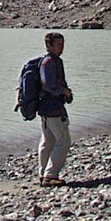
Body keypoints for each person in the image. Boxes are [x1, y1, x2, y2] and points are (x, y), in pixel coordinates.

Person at [38, 31, 73, 187]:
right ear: (48, 45)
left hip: (45, 108)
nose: (61, 47)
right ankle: (50, 175)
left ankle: (43, 173)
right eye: (58, 44)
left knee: (48, 141)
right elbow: (49, 85)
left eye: (62, 44)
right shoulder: (50, 63)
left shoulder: (50, 62)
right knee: (64, 141)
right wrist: (64, 92)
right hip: (53, 108)